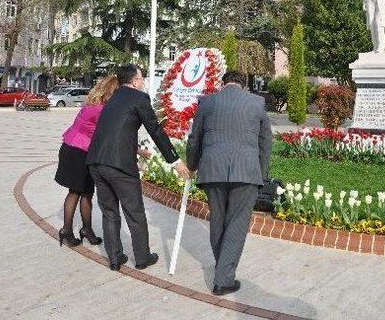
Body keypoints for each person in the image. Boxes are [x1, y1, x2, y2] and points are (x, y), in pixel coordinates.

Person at [86, 65, 190, 271]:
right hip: (119, 166)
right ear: (134, 81)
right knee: (134, 212)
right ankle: (142, 258)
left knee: (109, 212)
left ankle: (115, 259)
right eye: (142, 78)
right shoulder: (139, 98)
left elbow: (116, 131)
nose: (143, 82)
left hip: (96, 162)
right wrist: (175, 161)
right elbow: (156, 131)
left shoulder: (113, 98)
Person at [186, 71, 273, 296]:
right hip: (246, 171)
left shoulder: (207, 102)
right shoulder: (257, 103)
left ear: (222, 83)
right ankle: (223, 279)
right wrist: (261, 174)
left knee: (218, 219)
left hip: (212, 169)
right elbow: (266, 142)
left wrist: (192, 164)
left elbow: (195, 138)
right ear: (243, 85)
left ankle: (222, 267)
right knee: (237, 223)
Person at [55, 75, 119, 247]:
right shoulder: (101, 110)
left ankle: (86, 229)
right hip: (79, 151)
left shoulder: (92, 103)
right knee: (77, 192)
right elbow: (107, 135)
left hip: (71, 147)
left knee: (85, 193)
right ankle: (67, 231)